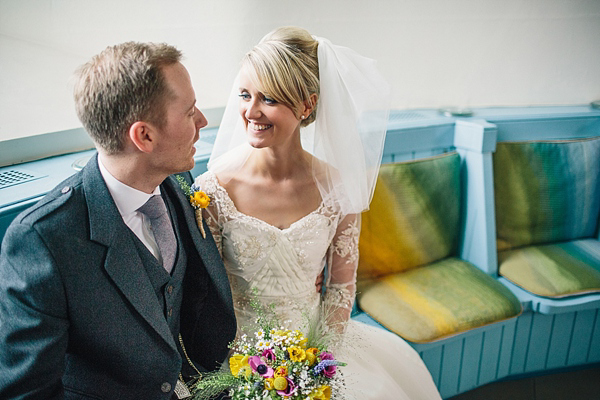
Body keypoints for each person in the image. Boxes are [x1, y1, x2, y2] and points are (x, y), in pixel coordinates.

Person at [194, 27, 442, 399]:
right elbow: (208, 295)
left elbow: (340, 287)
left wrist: (316, 364)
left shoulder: (338, 189)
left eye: (270, 99)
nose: (250, 111)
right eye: (245, 95)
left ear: (307, 105)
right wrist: (246, 369)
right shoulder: (213, 190)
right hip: (236, 360)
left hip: (315, 353)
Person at [0, 42, 236, 399]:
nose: (202, 121)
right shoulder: (43, 239)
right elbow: (28, 392)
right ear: (144, 136)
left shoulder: (177, 184)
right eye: (189, 112)